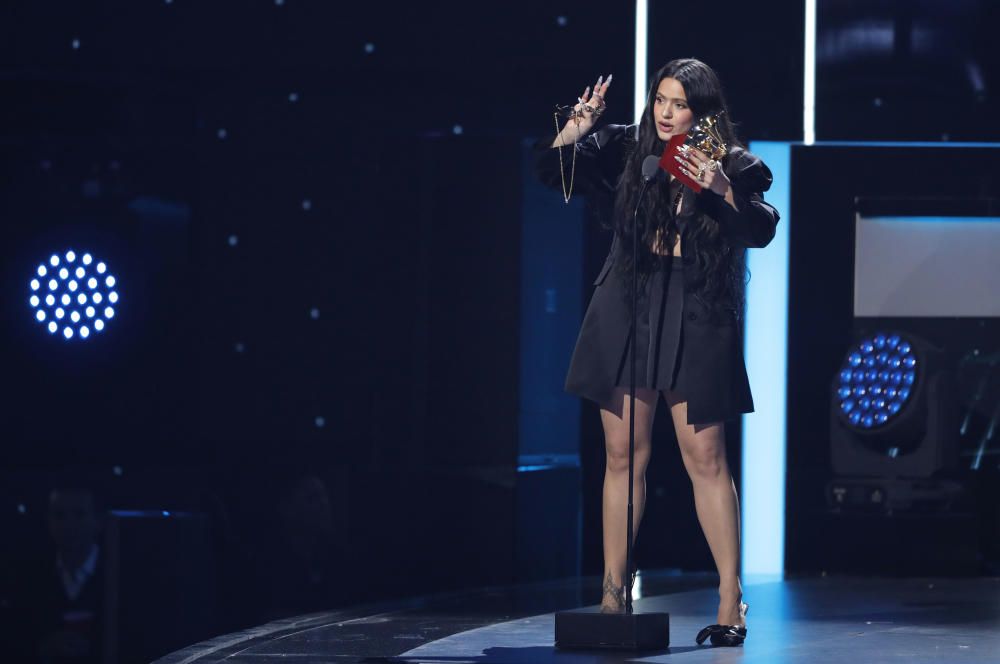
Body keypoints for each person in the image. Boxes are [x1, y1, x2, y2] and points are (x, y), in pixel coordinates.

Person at [534, 58, 779, 647]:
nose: (666, 114)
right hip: (627, 299)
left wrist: (719, 188)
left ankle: (729, 597)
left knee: (706, 459)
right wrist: (575, 127)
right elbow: (553, 173)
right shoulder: (624, 147)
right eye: (660, 101)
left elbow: (763, 228)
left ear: (702, 111)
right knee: (622, 456)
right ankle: (614, 592)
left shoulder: (728, 158)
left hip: (694, 306)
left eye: (679, 105)